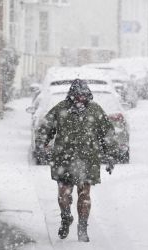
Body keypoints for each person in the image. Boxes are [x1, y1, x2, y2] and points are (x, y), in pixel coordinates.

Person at [37, 79, 118, 242]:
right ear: (71, 95)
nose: (81, 98)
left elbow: (107, 133)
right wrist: (41, 144)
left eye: (84, 95)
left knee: (84, 195)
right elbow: (45, 127)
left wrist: (110, 155)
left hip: (88, 161)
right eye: (77, 95)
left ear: (88, 95)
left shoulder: (95, 110)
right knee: (63, 195)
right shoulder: (61, 109)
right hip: (64, 160)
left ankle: (82, 228)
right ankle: (66, 217)